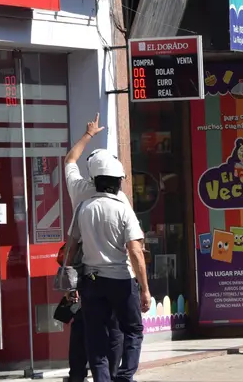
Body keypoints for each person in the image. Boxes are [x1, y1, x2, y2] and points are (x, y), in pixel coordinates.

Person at [65, 151, 149, 382]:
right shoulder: (123, 208)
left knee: (95, 338)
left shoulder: (83, 208)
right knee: (132, 331)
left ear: (94, 180)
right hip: (121, 281)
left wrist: (69, 283)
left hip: (91, 281)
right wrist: (145, 288)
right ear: (118, 181)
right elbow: (135, 252)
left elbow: (71, 248)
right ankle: (124, 376)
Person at [63, 116, 129, 382]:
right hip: (115, 272)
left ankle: (77, 374)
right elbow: (133, 240)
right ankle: (110, 374)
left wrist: (88, 134)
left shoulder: (78, 189)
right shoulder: (119, 198)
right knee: (114, 326)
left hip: (85, 268)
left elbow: (70, 159)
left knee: (83, 324)